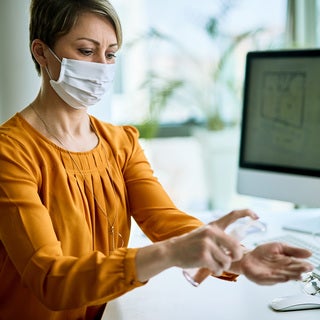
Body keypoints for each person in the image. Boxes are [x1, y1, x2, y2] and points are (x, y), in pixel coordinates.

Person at [0, 0, 314, 319]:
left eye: (110, 54)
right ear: (41, 52)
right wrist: (170, 254)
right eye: (85, 51)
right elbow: (52, 280)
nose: (101, 66)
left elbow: (165, 222)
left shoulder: (120, 142)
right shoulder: (10, 153)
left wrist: (240, 259)